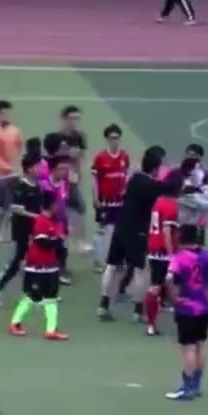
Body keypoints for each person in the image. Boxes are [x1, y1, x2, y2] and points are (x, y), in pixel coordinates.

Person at [98, 146, 181, 321]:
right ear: (155, 167)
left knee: (112, 266)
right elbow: (171, 187)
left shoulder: (134, 179)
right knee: (140, 270)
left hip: (121, 228)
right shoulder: (153, 186)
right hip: (139, 233)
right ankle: (138, 311)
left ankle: (103, 305)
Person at [164, 225, 208, 401]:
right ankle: (196, 385)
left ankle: (186, 389)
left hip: (186, 309)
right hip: (204, 308)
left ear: (181, 238)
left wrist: (174, 298)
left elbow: (169, 279)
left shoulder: (179, 258)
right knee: (200, 344)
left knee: (188, 348)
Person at [0, 142, 44, 306]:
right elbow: (16, 208)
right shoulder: (20, 186)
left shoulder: (38, 187)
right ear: (29, 169)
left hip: (34, 230)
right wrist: (37, 216)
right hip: (21, 230)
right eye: (37, 166)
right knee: (15, 263)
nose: (40, 169)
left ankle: (32, 294)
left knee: (35, 263)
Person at [7, 190, 69, 341]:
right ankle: (15, 323)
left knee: (51, 299)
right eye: (56, 204)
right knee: (32, 297)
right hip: (37, 268)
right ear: (51, 205)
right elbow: (43, 243)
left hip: (50, 267)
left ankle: (51, 330)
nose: (58, 206)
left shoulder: (51, 221)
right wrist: (59, 240)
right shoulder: (41, 222)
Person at [91, 123, 129, 272]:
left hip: (120, 201)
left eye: (117, 138)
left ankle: (118, 260)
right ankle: (98, 261)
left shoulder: (124, 156)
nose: (115, 141)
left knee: (120, 231)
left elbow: (126, 176)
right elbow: (94, 179)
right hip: (105, 201)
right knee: (101, 231)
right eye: (112, 138)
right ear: (107, 139)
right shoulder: (100, 158)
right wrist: (95, 197)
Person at [54, 105, 92, 253]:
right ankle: (71, 240)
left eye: (77, 118)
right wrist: (66, 153)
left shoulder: (79, 136)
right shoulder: (57, 137)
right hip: (60, 180)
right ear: (64, 119)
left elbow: (82, 155)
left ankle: (77, 240)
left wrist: (79, 170)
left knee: (78, 208)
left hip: (73, 179)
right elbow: (51, 156)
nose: (75, 121)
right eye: (72, 118)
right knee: (65, 210)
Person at [0, 100, 23, 242]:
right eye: (3, 114)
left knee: (15, 205)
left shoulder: (15, 131)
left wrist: (18, 165)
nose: (6, 116)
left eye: (7, 113)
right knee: (3, 207)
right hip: (0, 177)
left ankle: (14, 232)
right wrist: (7, 167)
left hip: (14, 174)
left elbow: (19, 146)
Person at [144, 191, 180, 335]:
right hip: (162, 252)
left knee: (160, 285)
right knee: (157, 286)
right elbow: (166, 231)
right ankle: (151, 324)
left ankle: (152, 319)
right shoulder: (171, 206)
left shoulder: (159, 202)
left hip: (154, 248)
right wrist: (171, 256)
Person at [41, 155, 72, 285]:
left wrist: (66, 224)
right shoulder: (44, 185)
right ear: (53, 170)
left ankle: (58, 270)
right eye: (62, 169)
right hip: (47, 223)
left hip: (59, 222)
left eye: (66, 169)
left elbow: (64, 204)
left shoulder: (64, 183)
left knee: (61, 249)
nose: (65, 172)